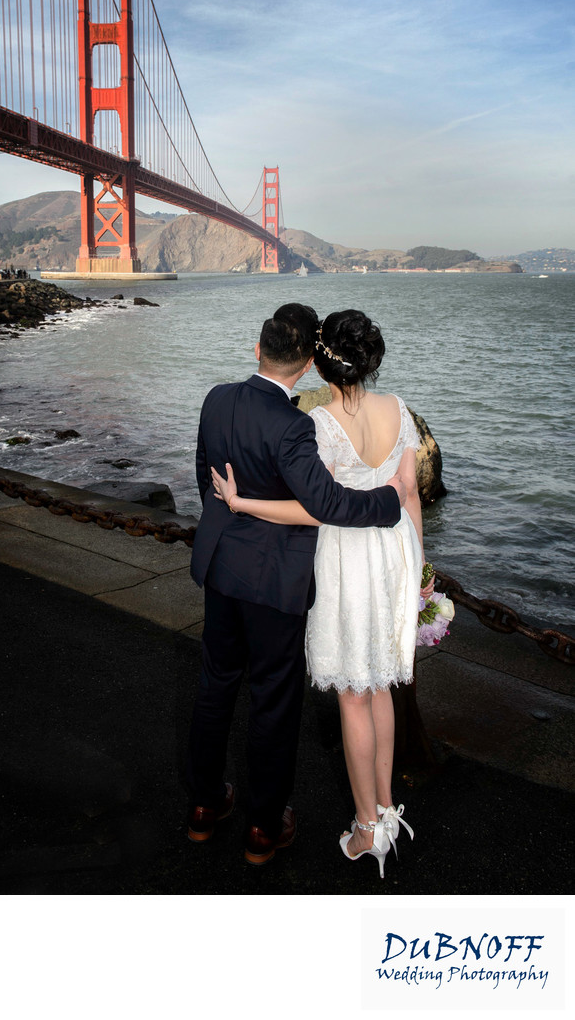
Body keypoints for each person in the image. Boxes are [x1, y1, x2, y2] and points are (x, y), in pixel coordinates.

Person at [211, 309, 433, 878]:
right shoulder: (400, 411)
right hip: (394, 553)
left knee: (354, 696)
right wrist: (421, 567)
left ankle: (366, 828)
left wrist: (242, 503)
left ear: (321, 363)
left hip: (347, 560)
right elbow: (409, 492)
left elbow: (316, 508)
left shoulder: (320, 423)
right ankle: (385, 808)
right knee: (380, 682)